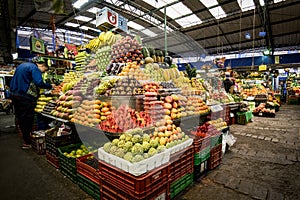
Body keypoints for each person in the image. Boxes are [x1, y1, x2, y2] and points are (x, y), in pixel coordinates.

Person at [10, 56, 55, 149]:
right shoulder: (34, 68)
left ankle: (26, 140)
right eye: (44, 70)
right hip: (25, 97)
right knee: (27, 119)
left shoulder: (22, 66)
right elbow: (39, 82)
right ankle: (28, 142)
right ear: (42, 65)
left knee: (21, 118)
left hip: (15, 94)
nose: (43, 72)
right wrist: (50, 86)